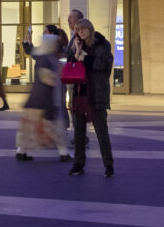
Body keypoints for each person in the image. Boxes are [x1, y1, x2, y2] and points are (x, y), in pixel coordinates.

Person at [67, 16, 114, 177]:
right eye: (77, 30)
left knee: (101, 131)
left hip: (96, 93)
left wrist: (84, 57)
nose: (80, 32)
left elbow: (103, 65)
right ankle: (78, 164)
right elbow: (71, 66)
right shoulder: (76, 45)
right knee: (78, 132)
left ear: (90, 29)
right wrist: (77, 51)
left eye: (83, 29)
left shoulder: (102, 44)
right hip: (80, 93)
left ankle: (109, 165)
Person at [16, 28, 69, 163]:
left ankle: (21, 151)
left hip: (37, 97)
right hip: (45, 98)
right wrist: (57, 73)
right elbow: (47, 77)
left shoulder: (44, 55)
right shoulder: (47, 57)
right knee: (53, 126)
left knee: (30, 126)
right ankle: (63, 153)